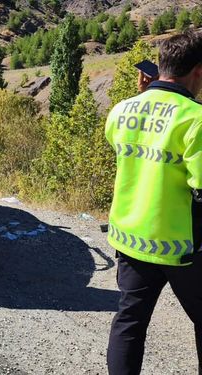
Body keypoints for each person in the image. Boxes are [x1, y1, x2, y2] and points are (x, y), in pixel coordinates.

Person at [105, 31, 202, 374]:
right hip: (183, 247)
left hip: (131, 239)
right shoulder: (195, 118)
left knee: (129, 322)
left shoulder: (122, 109)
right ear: (198, 71)